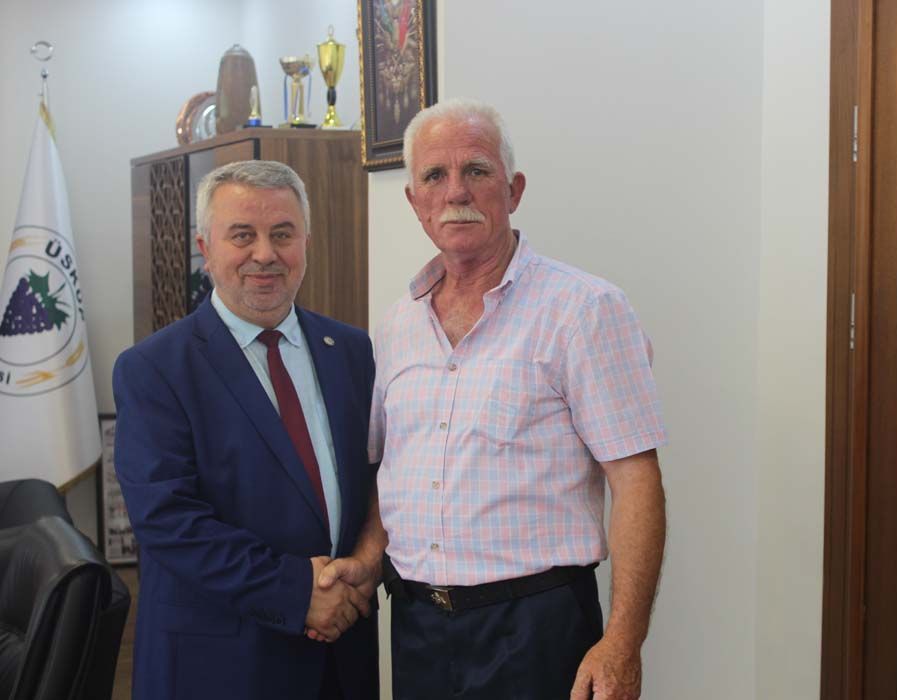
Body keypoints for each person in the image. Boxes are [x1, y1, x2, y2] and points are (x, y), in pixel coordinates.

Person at [320, 98, 668, 700]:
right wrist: (369, 558)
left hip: (537, 631)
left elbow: (636, 481)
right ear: (415, 202)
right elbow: (390, 470)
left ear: (514, 190)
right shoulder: (398, 324)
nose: (456, 191)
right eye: (435, 175)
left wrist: (622, 643)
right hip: (417, 630)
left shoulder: (584, 310)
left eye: (477, 170)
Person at [113, 160, 384, 700]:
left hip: (342, 655)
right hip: (220, 664)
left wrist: (365, 566)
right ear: (205, 248)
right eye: (242, 235)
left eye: (282, 234)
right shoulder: (155, 368)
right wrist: (298, 592)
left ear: (306, 242)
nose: (265, 254)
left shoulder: (353, 351)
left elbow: (382, 477)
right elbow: (169, 520)